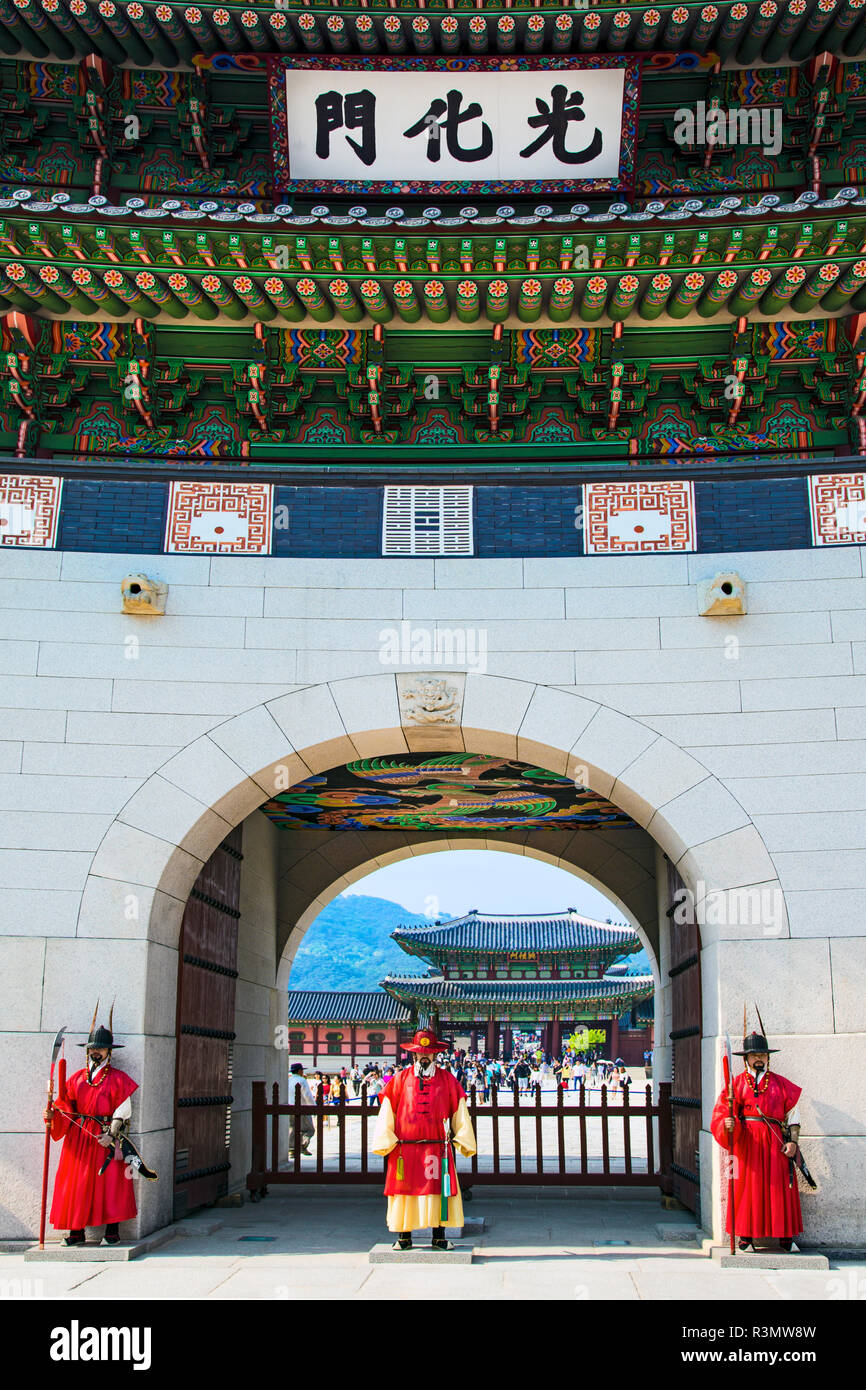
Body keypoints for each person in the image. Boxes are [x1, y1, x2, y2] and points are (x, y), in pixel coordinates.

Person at [44, 1005, 143, 1247]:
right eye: (92, 1049)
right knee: (75, 1183)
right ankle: (76, 1230)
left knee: (110, 1184)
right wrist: (52, 1114)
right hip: (78, 1138)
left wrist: (111, 1134)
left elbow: (123, 1108)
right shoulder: (77, 1078)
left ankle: (112, 1231)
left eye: (100, 1048)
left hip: (104, 1136)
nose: (96, 1052)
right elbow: (65, 1106)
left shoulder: (118, 1079)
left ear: (109, 1052)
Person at [371, 1028, 476, 1251]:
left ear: (436, 1056)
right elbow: (387, 1110)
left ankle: (439, 1236)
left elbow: (459, 1111)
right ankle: (404, 1236)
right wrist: (385, 1139)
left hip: (437, 1149)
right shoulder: (400, 1080)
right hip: (404, 1150)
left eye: (429, 1054)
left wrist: (463, 1139)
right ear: (414, 1055)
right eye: (421, 1054)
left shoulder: (447, 1080)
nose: (425, 1057)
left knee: (440, 1191)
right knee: (403, 1191)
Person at [710, 1021, 805, 1254]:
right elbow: (723, 1112)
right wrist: (728, 1123)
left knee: (779, 1188)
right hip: (746, 1144)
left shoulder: (781, 1084)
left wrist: (792, 1142)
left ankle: (784, 1236)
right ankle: (745, 1235)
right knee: (746, 1188)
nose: (758, 1059)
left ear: (768, 1057)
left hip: (775, 1143)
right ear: (746, 1059)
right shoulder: (736, 1084)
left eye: (762, 1054)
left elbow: (793, 1114)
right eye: (754, 1055)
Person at [287, 1062, 314, 1156]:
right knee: (308, 1129)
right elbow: (307, 1096)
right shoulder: (302, 1080)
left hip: (290, 1107)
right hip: (302, 1107)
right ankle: (302, 1145)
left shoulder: (288, 1080)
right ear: (299, 1071)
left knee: (292, 1128)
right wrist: (313, 1107)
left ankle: (291, 1149)